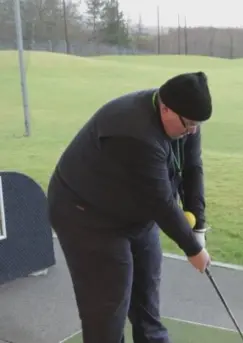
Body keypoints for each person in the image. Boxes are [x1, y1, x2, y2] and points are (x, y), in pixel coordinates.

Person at [47, 71, 214, 343]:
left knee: (146, 295)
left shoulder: (185, 116)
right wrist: (193, 250)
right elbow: (161, 202)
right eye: (189, 124)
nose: (193, 130)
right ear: (165, 108)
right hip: (86, 216)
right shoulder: (134, 133)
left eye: (198, 124)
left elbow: (192, 168)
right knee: (108, 307)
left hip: (133, 211)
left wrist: (199, 226)